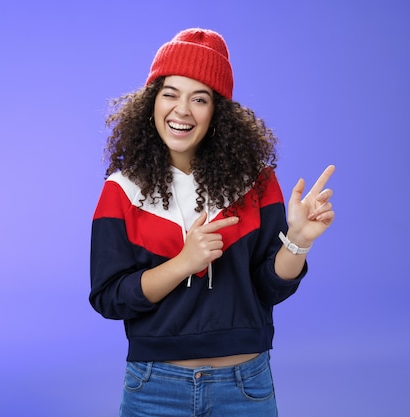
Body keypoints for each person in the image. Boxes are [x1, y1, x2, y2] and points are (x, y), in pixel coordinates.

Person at [89, 27, 335, 417]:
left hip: (244, 387)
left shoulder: (255, 181)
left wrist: (298, 240)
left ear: (217, 111)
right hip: (154, 388)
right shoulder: (121, 190)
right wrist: (183, 264)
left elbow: (269, 287)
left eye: (199, 98)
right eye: (170, 94)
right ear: (152, 101)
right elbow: (108, 298)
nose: (181, 110)